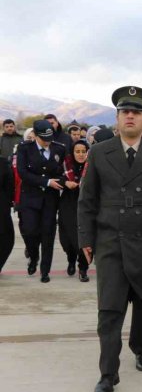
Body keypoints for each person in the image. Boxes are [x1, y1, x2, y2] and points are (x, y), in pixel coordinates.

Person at [78, 86, 142, 392]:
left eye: (136, 112)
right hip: (110, 241)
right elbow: (87, 200)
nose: (130, 117)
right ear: (118, 117)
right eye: (125, 112)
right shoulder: (99, 152)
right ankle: (108, 373)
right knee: (109, 310)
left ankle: (141, 346)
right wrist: (85, 237)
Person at [16, 120, 66, 282]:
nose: (47, 141)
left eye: (49, 138)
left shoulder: (59, 148)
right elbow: (23, 173)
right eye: (44, 138)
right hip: (30, 197)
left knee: (48, 235)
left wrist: (61, 181)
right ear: (36, 136)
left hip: (50, 199)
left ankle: (45, 271)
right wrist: (46, 182)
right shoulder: (24, 148)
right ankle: (33, 256)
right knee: (30, 231)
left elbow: (61, 171)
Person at [59, 139, 90, 281]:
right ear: (72, 152)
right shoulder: (65, 164)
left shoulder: (92, 166)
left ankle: (83, 268)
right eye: (77, 151)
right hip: (68, 203)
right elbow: (55, 177)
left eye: (84, 151)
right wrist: (65, 183)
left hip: (87, 204)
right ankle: (71, 258)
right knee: (67, 239)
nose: (81, 154)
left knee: (85, 237)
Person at [0, 155, 13, 272]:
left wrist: (7, 204)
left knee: (6, 238)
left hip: (2, 207)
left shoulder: (3, 163)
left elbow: (9, 186)